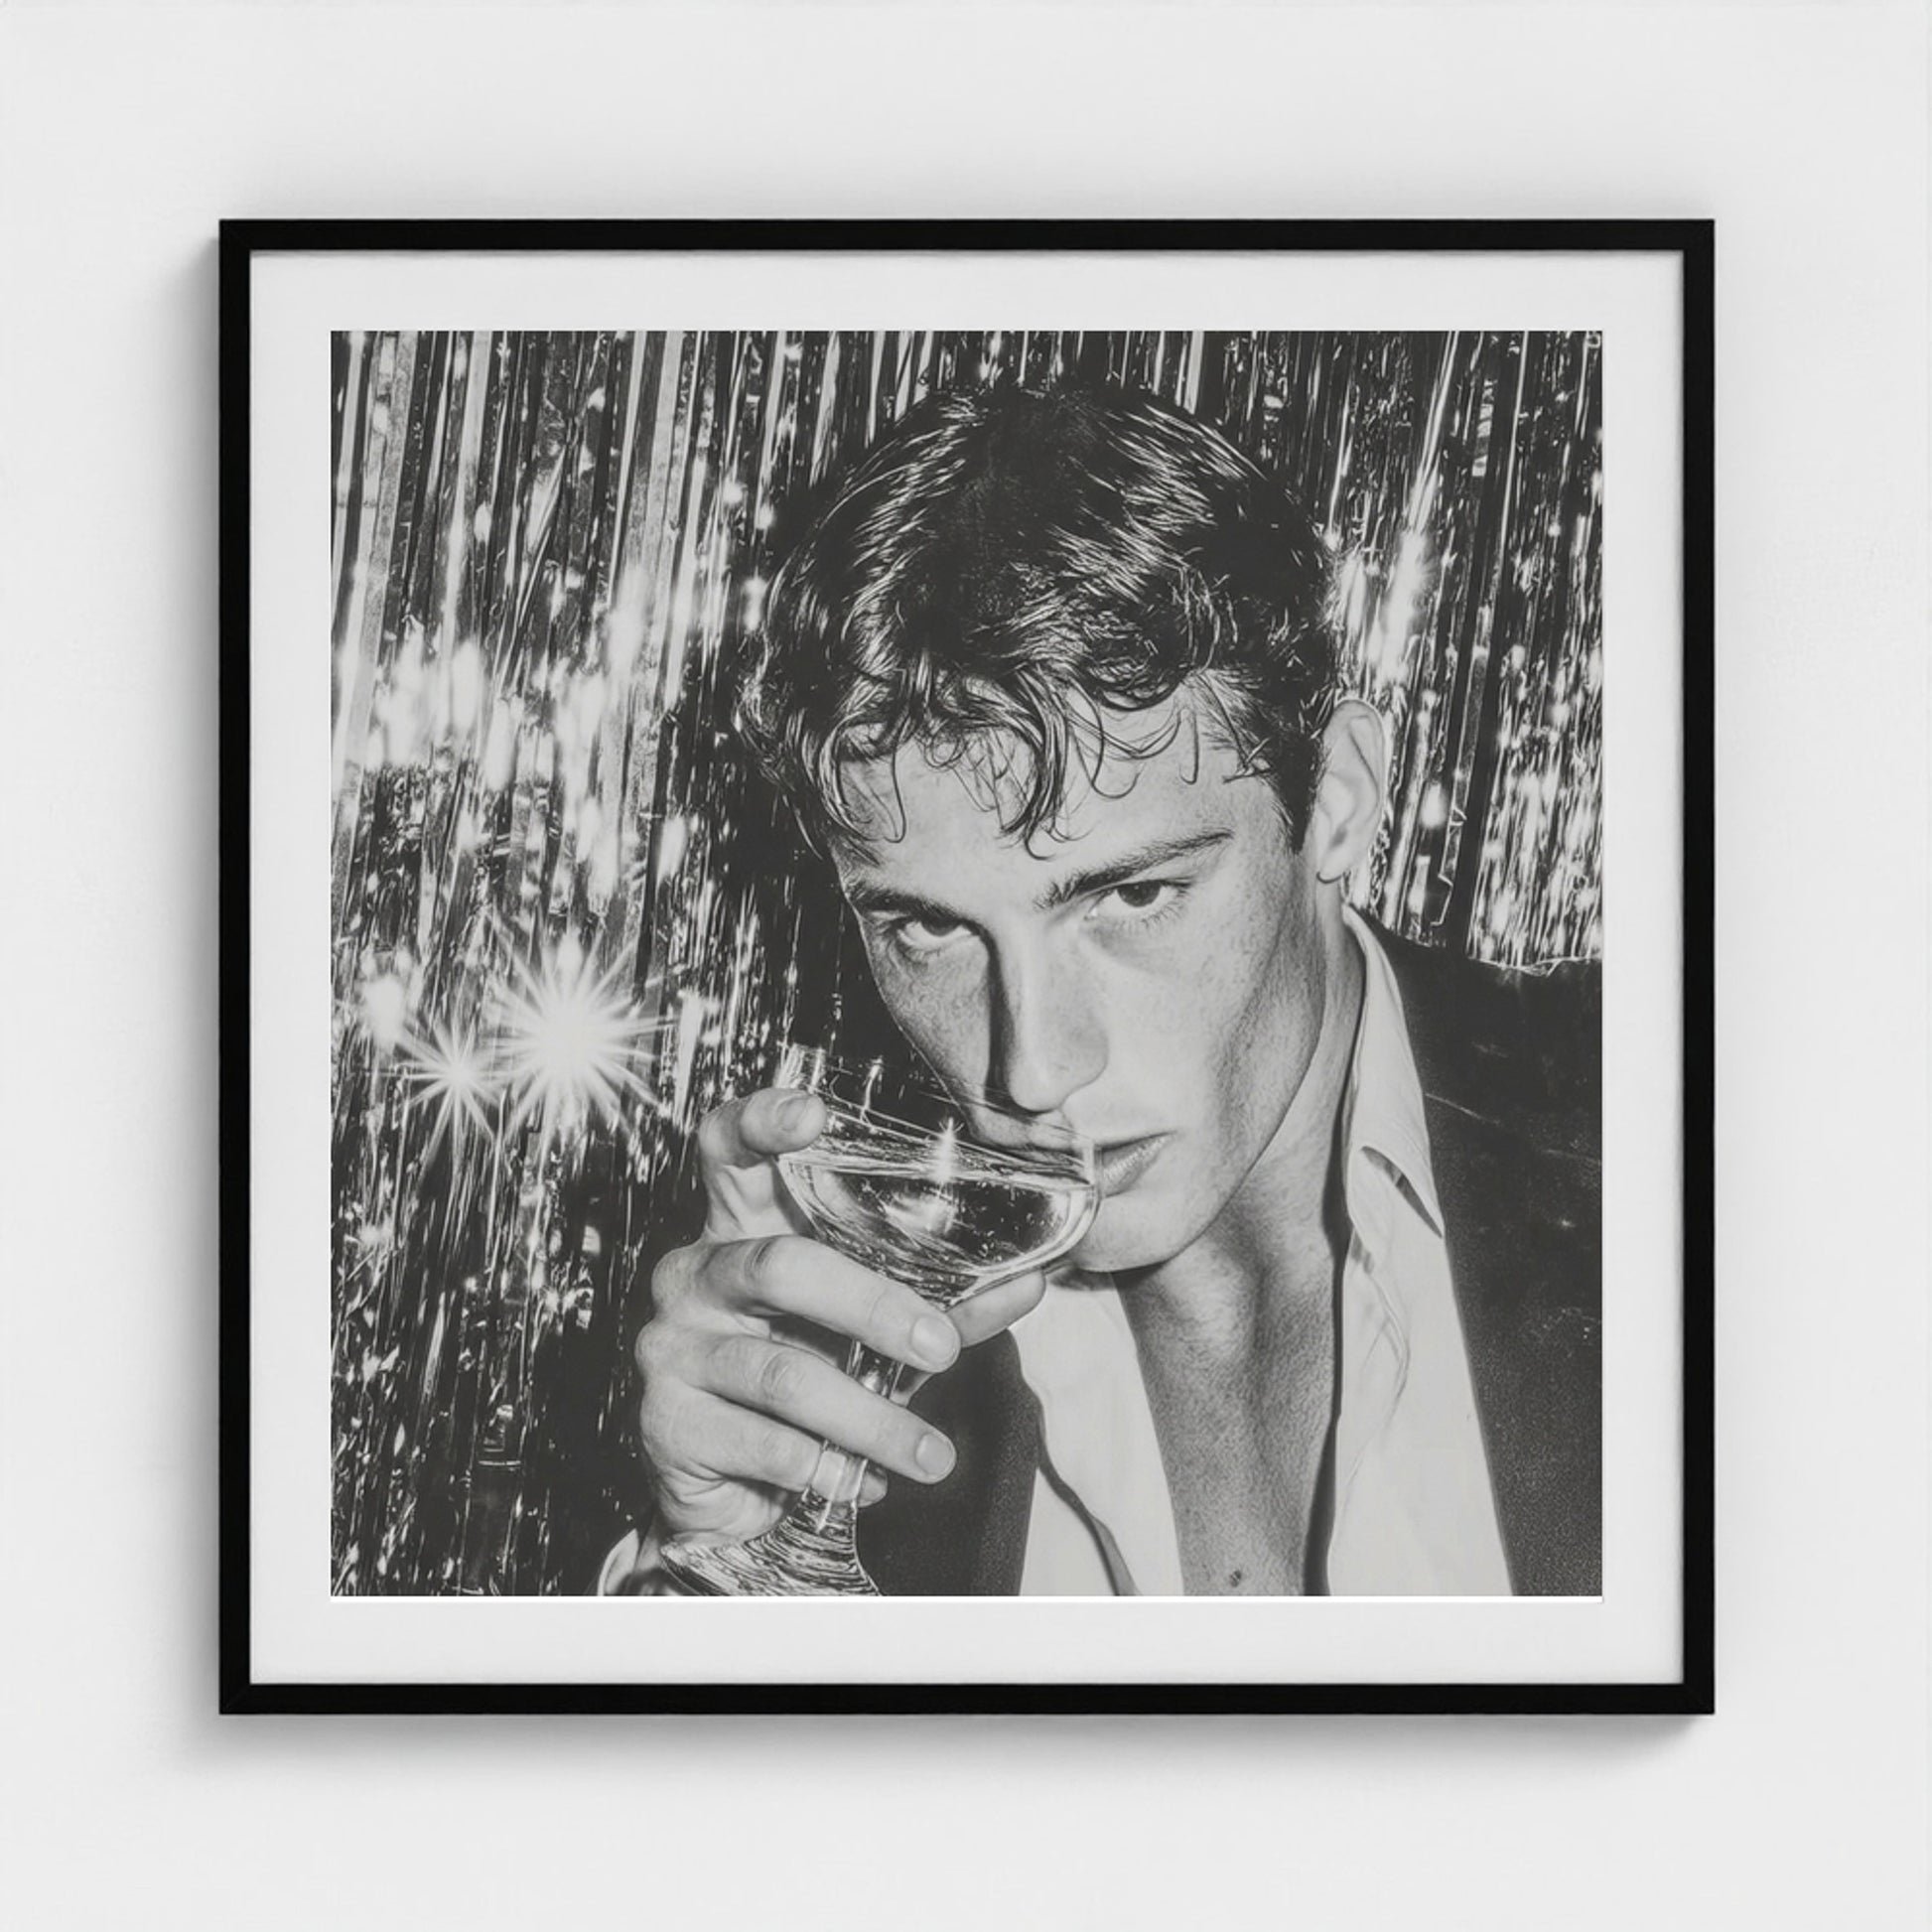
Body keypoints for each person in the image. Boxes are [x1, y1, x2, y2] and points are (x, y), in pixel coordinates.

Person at [604, 381, 1599, 1597]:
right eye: (928, 925)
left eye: (1130, 895)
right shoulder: (854, 1353)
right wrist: (723, 1549)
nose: (1031, 1069)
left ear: (1338, 797)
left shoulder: (1687, 1150)